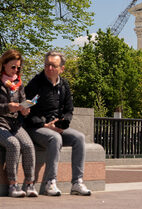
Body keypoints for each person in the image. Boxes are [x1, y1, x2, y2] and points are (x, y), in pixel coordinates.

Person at [24, 51, 91, 196]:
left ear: (62, 68)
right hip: (37, 128)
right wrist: (45, 124)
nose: (49, 68)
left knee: (79, 138)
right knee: (55, 138)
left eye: (53, 66)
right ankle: (50, 182)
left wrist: (62, 124)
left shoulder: (64, 85)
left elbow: (69, 110)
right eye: (47, 65)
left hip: (55, 127)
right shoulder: (36, 84)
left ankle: (77, 183)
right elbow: (25, 108)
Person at [0, 49, 38, 198]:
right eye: (13, 67)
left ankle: (29, 184)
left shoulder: (19, 83)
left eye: (18, 67)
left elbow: (22, 104)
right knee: (13, 144)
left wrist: (25, 110)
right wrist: (7, 107)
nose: (16, 70)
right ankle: (13, 185)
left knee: (28, 145)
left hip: (14, 124)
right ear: (3, 65)